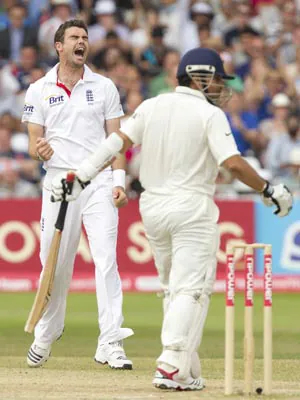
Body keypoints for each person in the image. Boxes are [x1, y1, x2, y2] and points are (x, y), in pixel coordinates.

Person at [51, 48, 293, 390]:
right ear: (199, 76)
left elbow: (115, 142)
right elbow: (233, 163)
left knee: (173, 289)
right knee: (191, 289)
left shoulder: (152, 105)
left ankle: (187, 370)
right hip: (191, 208)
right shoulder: (209, 115)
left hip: (153, 209)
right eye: (217, 79)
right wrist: (269, 190)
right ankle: (169, 365)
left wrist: (82, 177)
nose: (221, 87)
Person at [22, 19, 133, 369]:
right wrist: (39, 149)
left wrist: (120, 180)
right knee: (55, 264)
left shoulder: (104, 86)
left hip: (98, 181)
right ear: (59, 46)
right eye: (74, 37)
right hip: (59, 182)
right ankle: (48, 331)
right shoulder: (38, 89)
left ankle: (110, 341)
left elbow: (117, 140)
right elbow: (32, 144)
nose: (82, 41)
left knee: (106, 260)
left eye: (85, 37)